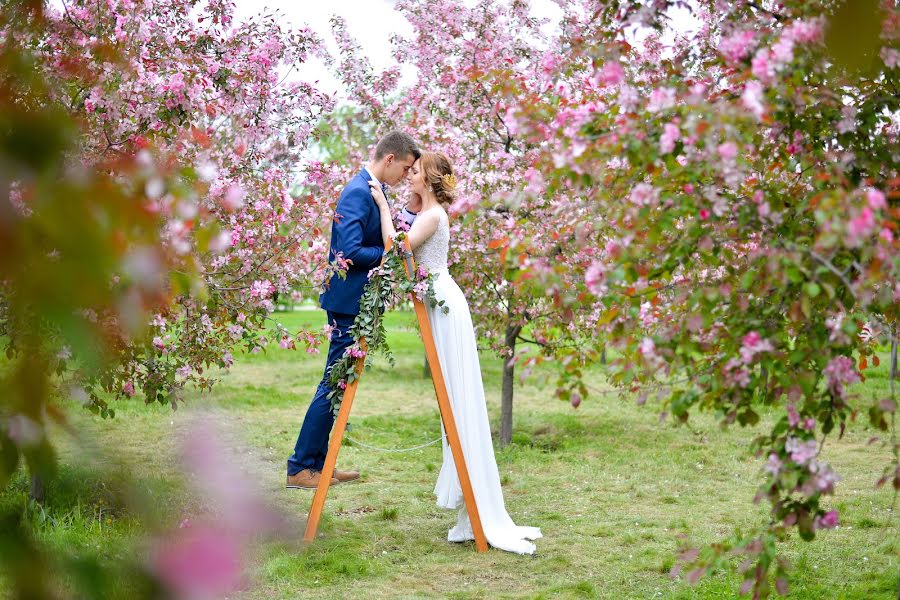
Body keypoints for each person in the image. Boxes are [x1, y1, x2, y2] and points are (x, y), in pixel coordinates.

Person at [369, 152, 542, 555]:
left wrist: (381, 205)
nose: (408, 176)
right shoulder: (425, 212)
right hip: (438, 304)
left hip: (445, 307)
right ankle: (472, 509)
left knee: (457, 404)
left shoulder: (433, 217)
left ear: (428, 179)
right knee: (453, 406)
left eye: (414, 173)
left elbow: (396, 248)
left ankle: (479, 511)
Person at [286, 131, 420, 489]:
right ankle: (301, 467)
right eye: (405, 169)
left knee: (337, 384)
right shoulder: (359, 192)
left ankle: (318, 465)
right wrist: (389, 256)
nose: (406, 176)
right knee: (333, 382)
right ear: (390, 159)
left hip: (353, 302)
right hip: (348, 305)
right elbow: (349, 253)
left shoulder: (371, 191)